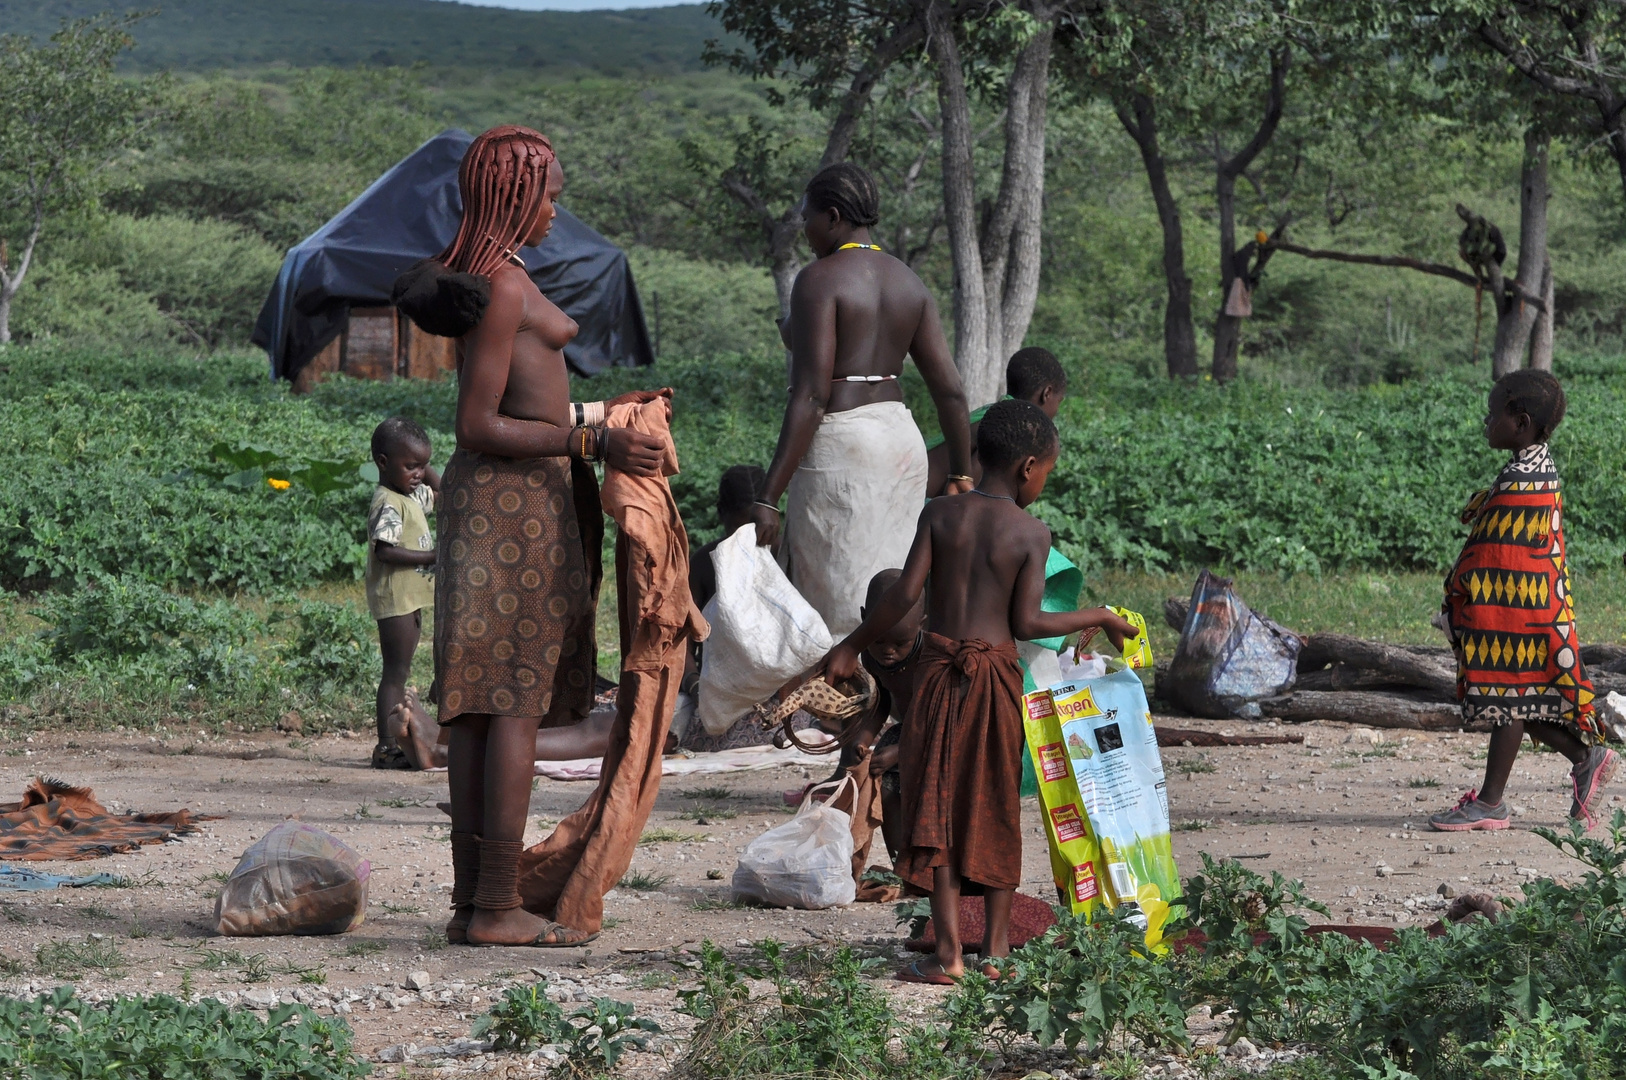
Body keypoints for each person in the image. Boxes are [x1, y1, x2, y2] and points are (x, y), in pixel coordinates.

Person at [391, 124, 669, 947]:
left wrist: (597, 421)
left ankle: (476, 902)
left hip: (510, 506)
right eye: (548, 193)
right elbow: (478, 423)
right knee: (506, 706)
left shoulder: (492, 277)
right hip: (511, 509)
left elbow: (523, 405)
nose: (556, 209)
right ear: (515, 197)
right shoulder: (502, 288)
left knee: (482, 712)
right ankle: (497, 906)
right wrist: (593, 441)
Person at [823, 400, 1137, 983]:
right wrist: (1099, 614)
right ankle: (994, 955)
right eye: (1046, 470)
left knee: (937, 807)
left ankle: (947, 957)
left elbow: (900, 599)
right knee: (993, 807)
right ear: (1027, 466)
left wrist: (849, 644)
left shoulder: (939, 514)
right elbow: (1026, 625)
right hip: (995, 682)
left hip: (936, 676)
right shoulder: (1031, 533)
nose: (1043, 481)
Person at [749, 162, 974, 639]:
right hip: (899, 440)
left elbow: (811, 395)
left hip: (843, 446)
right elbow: (951, 391)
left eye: (807, 217)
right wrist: (959, 472)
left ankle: (833, 704)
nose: (805, 230)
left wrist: (768, 496)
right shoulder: (909, 283)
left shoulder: (819, 279)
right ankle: (885, 693)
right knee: (891, 582)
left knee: (831, 593)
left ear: (833, 217)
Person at [1430, 369, 1617, 832]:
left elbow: (1496, 556)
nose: (1486, 422)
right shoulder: (1536, 468)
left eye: (1494, 414)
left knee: (1511, 697)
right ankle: (1585, 756)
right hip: (1536, 608)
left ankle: (1491, 803)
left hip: (1518, 613)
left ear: (1521, 421)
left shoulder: (1520, 483)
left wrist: (1460, 593)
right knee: (1525, 700)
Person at [365, 416, 441, 770]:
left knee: (402, 668)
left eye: (423, 466)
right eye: (411, 466)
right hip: (395, 598)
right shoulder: (388, 501)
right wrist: (431, 557)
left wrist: (425, 468)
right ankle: (386, 747)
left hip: (410, 598)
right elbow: (385, 550)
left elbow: (443, 492)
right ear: (383, 463)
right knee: (395, 673)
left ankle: (394, 742)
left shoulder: (409, 494)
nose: (419, 474)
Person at [926, 347, 1068, 497]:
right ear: (1047, 394)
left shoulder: (996, 412)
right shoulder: (1012, 425)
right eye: (1059, 401)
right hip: (916, 503)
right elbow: (969, 495)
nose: (1056, 411)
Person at [690, 464, 768, 613]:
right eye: (739, 530)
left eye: (754, 530)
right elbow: (689, 627)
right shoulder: (703, 565)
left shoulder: (786, 556)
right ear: (720, 513)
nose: (746, 540)